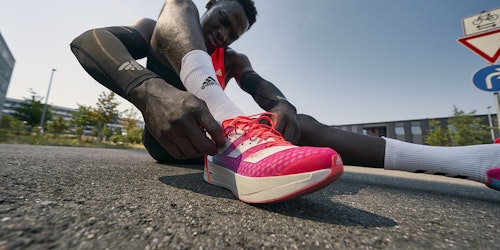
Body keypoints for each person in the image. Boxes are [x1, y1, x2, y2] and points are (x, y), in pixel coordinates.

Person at [70, 0, 500, 203]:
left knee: (299, 120)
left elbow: (267, 89)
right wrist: (149, 90)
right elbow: (90, 41)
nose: (222, 34)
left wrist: (284, 108)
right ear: (211, 6)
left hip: (218, 140)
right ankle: (233, 132)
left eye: (233, 33)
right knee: (175, 1)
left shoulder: (233, 60)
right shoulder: (156, 27)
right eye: (221, 21)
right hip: (173, 136)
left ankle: (473, 162)